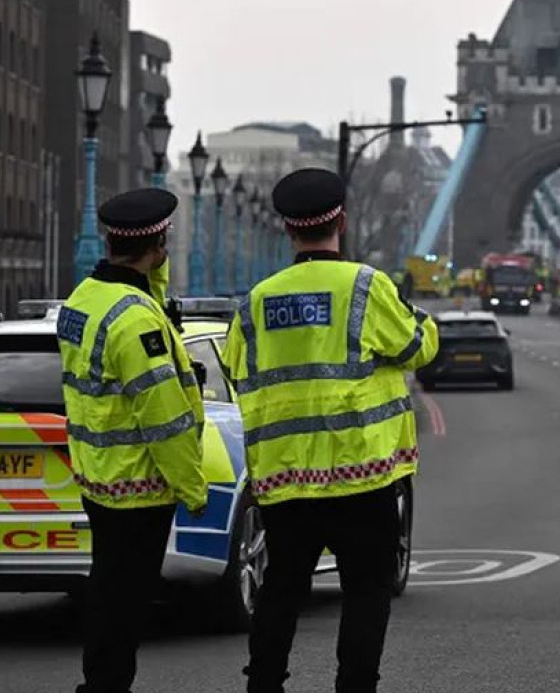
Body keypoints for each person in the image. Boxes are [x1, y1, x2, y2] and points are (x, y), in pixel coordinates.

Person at [224, 168, 439, 693]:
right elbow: (419, 347)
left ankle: (265, 685)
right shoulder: (366, 286)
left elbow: (234, 366)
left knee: (280, 591)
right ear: (341, 220)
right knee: (366, 593)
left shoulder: (256, 300)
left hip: (287, 476)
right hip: (360, 475)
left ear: (286, 230)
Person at [56, 187, 209, 693]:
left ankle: (100, 682)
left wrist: (152, 276)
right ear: (159, 243)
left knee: (107, 587)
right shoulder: (138, 321)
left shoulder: (83, 299)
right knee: (125, 602)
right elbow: (163, 418)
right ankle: (106, 687)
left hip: (98, 473)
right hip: (138, 482)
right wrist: (191, 487)